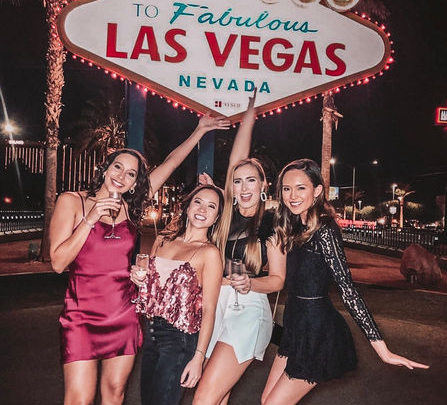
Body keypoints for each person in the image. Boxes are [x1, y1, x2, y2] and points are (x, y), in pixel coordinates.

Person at [49, 115, 229, 405]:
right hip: (80, 314)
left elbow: (170, 164)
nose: (122, 175)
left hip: (123, 314)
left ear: (136, 183)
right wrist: (90, 220)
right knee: (78, 398)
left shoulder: (133, 209)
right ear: (105, 168)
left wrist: (199, 130)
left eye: (131, 174)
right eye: (117, 166)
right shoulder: (72, 201)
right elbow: (58, 262)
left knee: (115, 395)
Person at [261, 159, 429, 405]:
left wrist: (383, 350)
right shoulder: (294, 226)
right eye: (286, 189)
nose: (292, 195)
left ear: (317, 191)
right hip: (295, 331)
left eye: (301, 188)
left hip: (317, 332)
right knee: (266, 400)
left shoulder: (325, 230)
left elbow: (348, 289)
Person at [193, 91, 286, 405]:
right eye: (238, 181)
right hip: (214, 304)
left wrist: (250, 282)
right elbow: (236, 158)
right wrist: (250, 113)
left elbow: (277, 279)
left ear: (262, 186)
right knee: (218, 396)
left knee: (204, 397)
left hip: (248, 309)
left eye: (251, 181)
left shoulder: (271, 221)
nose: (244, 187)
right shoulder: (226, 213)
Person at [131, 184, 224, 405]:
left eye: (211, 206)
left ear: (217, 217)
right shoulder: (163, 239)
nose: (202, 209)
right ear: (188, 206)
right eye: (198, 202)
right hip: (151, 334)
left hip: (179, 339)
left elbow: (209, 309)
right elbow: (150, 290)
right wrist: (139, 279)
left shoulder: (209, 253)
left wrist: (199, 358)